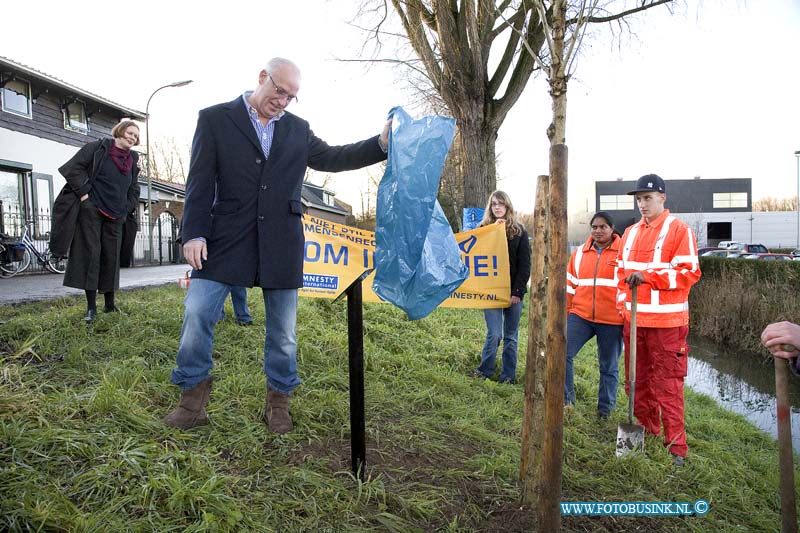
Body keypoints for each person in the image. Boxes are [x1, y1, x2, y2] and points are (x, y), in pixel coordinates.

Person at [163, 57, 390, 433]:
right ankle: (191, 403)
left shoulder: (298, 130)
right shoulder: (215, 119)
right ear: (262, 78)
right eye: (279, 91)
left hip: (281, 241)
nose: (283, 101)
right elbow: (199, 181)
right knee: (198, 314)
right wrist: (194, 233)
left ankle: (278, 404)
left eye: (291, 97)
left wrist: (379, 144)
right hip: (224, 238)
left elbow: (334, 157)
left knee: (283, 334)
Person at [616, 174, 701, 466]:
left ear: (662, 197)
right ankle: (647, 432)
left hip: (667, 326)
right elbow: (620, 275)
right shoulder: (629, 233)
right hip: (635, 322)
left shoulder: (678, 230)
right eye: (639, 199)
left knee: (668, 387)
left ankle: (677, 448)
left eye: (648, 198)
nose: (642, 204)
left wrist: (649, 277)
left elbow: (689, 272)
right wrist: (622, 309)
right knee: (637, 383)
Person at [55, 120, 141, 322]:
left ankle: (110, 306)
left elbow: (134, 187)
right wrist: (85, 197)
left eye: (136, 136)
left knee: (111, 258)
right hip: (92, 211)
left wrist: (128, 206)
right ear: (120, 132)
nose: (133, 137)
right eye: (130, 133)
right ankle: (91, 308)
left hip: (117, 214)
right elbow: (73, 169)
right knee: (91, 256)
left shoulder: (132, 159)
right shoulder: (97, 148)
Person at [564, 211, 623, 419]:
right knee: (563, 354)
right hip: (581, 316)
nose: (598, 231)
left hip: (612, 320)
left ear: (612, 229)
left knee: (608, 366)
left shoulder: (625, 253)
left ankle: (605, 410)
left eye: (603, 227)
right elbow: (570, 286)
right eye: (595, 227)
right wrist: (567, 313)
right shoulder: (579, 253)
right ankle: (566, 402)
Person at [474, 191, 531, 384]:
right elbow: (475, 258)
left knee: (511, 336)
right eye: (494, 204)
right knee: (494, 333)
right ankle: (485, 371)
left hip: (513, 291)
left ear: (508, 207)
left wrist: (517, 291)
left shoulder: (519, 231)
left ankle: (508, 376)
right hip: (491, 291)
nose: (497, 207)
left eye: (501, 204)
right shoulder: (483, 229)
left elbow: (525, 265)